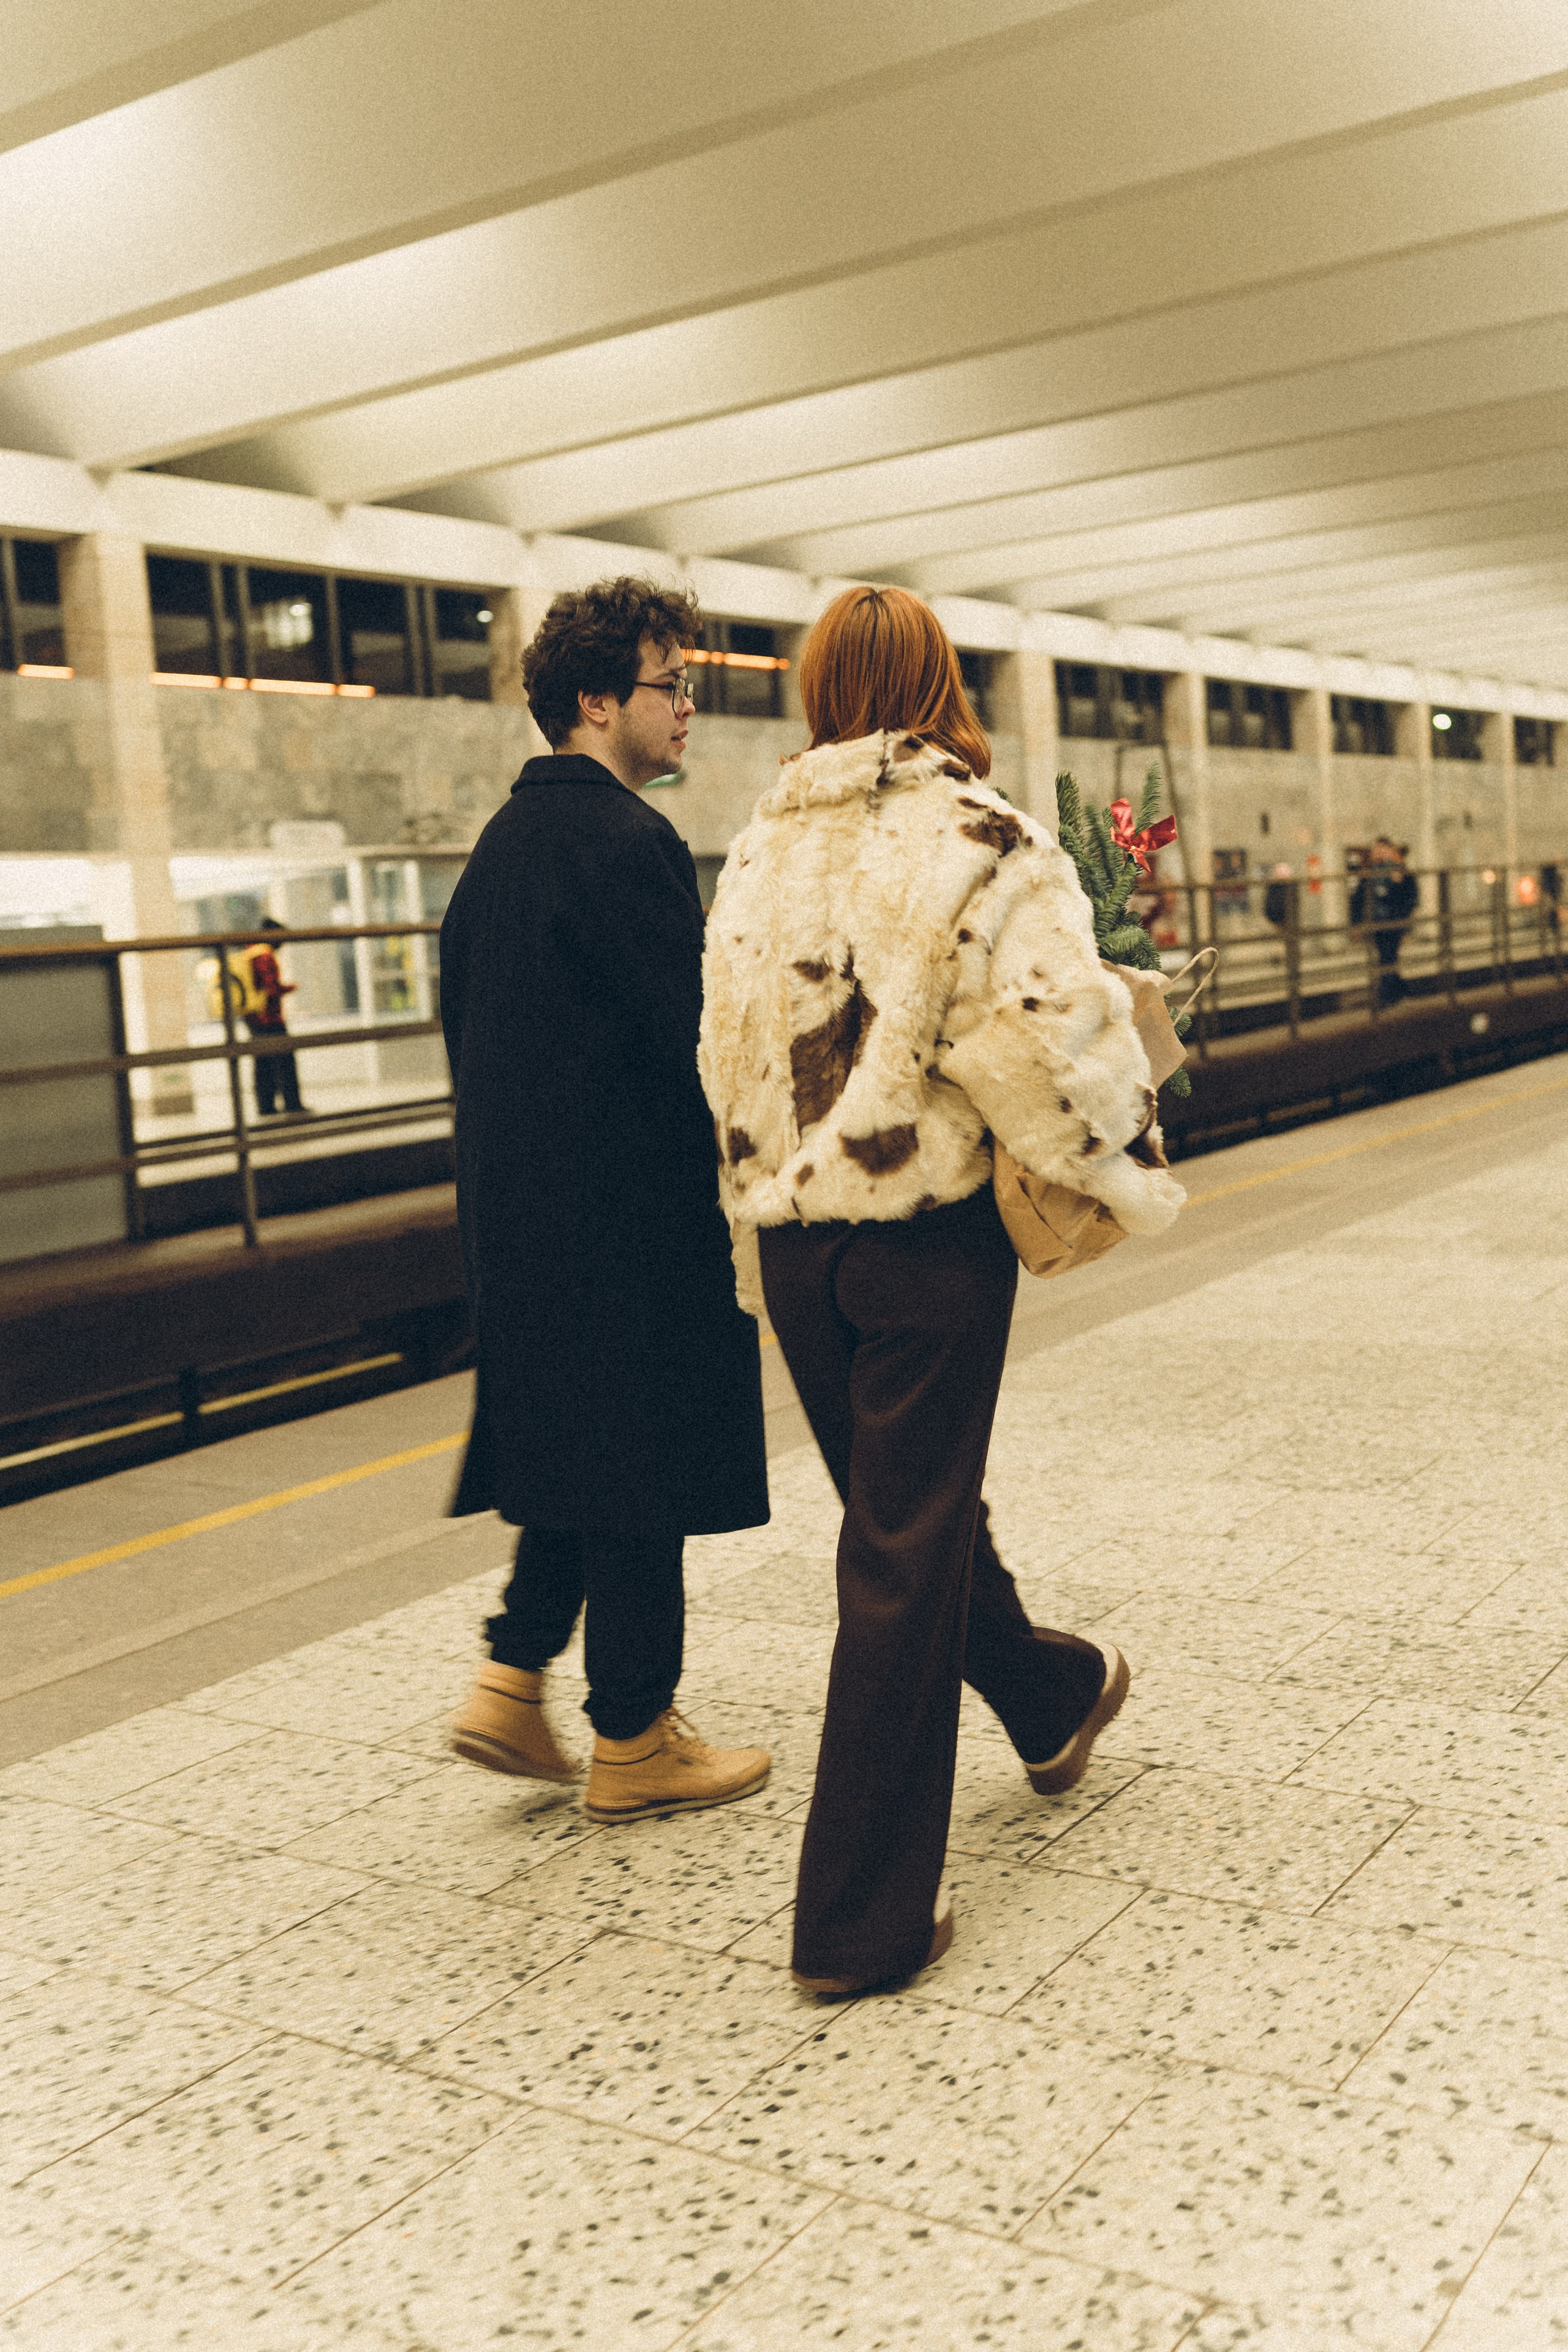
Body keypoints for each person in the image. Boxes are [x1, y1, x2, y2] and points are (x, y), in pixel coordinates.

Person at [698, 585, 1183, 1995]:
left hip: (794, 1237)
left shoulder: (754, 850)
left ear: (815, 689)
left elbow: (725, 1055)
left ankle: (1047, 1694)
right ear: (940, 682)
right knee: (900, 1550)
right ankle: (857, 1922)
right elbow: (1044, 1040)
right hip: (922, 1234)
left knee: (902, 1513)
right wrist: (1121, 1137)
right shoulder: (979, 836)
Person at [442, 577, 772, 1823]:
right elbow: (689, 1050)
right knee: (640, 1454)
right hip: (632, 1226)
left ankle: (510, 1676)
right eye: (667, 686)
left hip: (521, 1223)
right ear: (595, 701)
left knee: (575, 1442)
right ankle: (635, 1735)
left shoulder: (498, 852)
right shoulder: (629, 845)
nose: (685, 708)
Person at [244, 918, 307, 1117]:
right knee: (285, 1061)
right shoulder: (265, 955)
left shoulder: (250, 952)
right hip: (270, 1018)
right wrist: (290, 988)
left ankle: (266, 1106)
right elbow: (271, 988)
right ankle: (292, 1103)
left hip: (253, 1017)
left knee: (263, 1063)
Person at [1350, 837, 1417, 1003]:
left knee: (1387, 956)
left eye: (1381, 850)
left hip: (1391, 922)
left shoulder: (1398, 871)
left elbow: (1408, 896)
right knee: (1387, 957)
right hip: (1378, 922)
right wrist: (1357, 923)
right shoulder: (1371, 873)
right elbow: (1358, 898)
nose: (1377, 853)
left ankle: (1389, 994)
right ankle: (1397, 991)